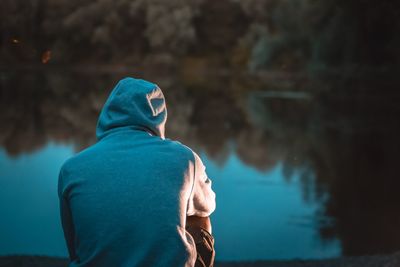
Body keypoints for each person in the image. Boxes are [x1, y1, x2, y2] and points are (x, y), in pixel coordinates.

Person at [58, 77, 216, 267]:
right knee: (200, 217)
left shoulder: (72, 167)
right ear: (158, 116)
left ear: (108, 112)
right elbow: (206, 207)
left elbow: (74, 247)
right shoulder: (184, 158)